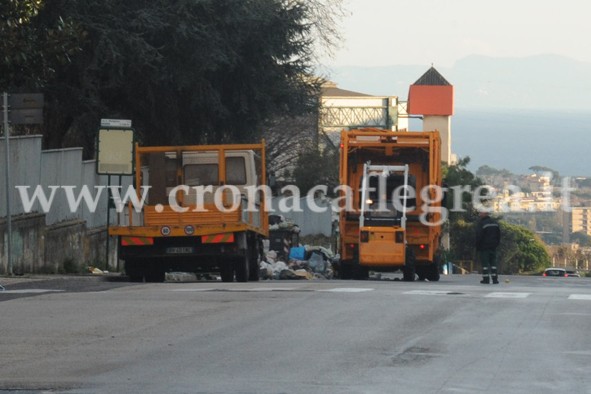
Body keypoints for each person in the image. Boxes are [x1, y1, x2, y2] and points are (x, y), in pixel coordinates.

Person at [475, 210, 501, 284]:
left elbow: (479, 236)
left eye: (481, 213)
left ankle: (486, 279)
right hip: (493, 246)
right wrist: (496, 244)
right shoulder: (495, 223)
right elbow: (498, 235)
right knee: (493, 263)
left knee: (485, 264)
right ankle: (495, 279)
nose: (479, 214)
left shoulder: (482, 223)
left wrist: (478, 246)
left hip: (484, 247)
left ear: (485, 214)